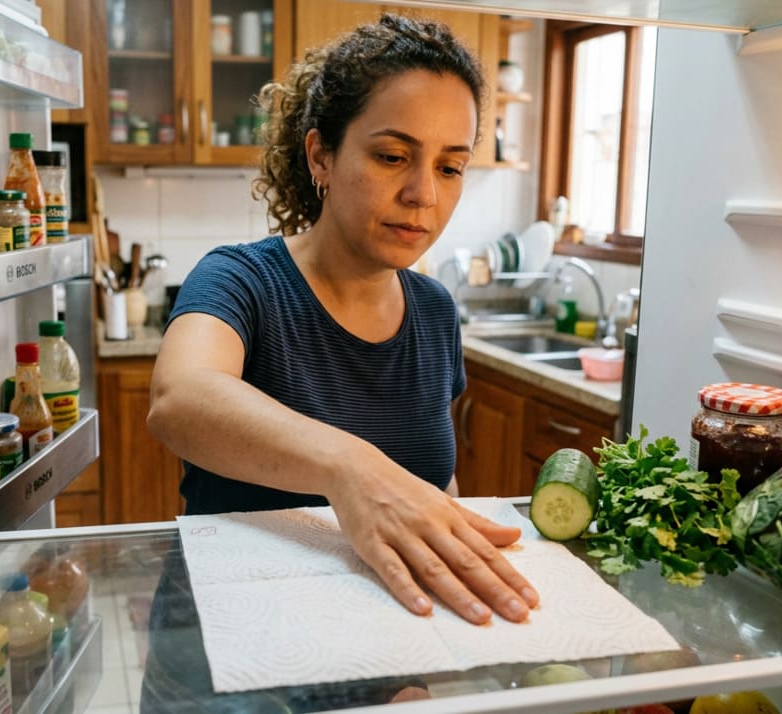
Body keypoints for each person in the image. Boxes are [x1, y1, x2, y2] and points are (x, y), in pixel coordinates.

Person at [140, 14, 537, 710]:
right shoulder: (242, 280)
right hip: (228, 664)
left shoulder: (435, 311)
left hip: (373, 658)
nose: (424, 193)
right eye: (392, 156)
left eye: (449, 167)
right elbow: (181, 397)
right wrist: (349, 469)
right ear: (321, 156)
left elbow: (429, 491)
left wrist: (418, 669)